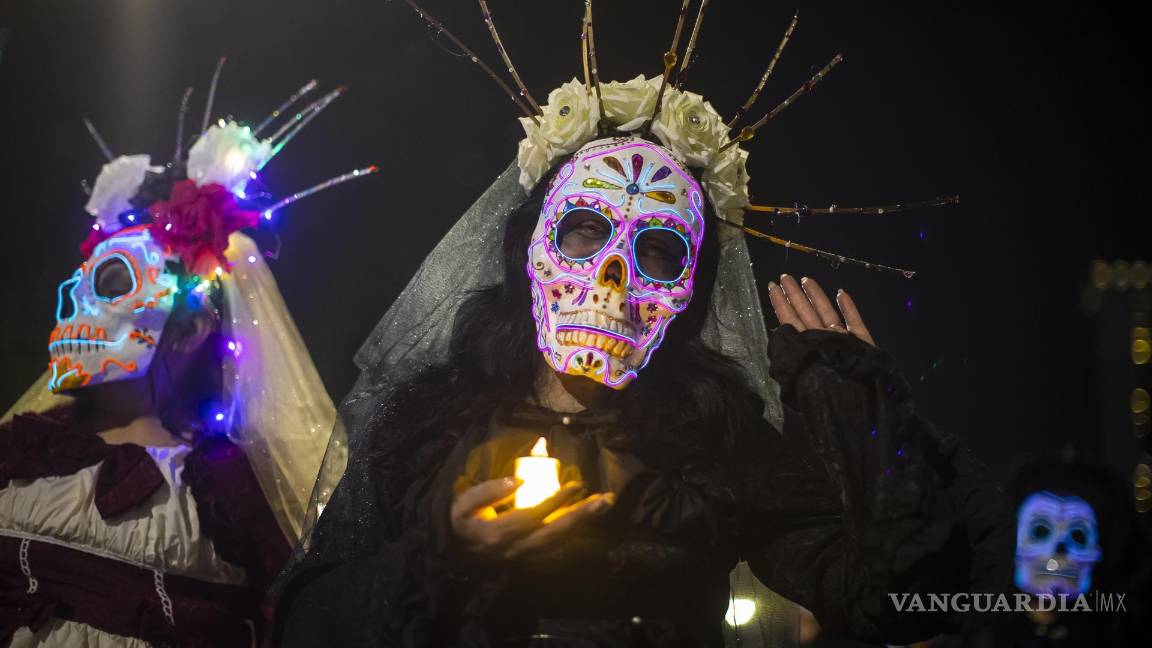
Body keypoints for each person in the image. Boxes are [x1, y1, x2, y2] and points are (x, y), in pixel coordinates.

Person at [273, 4, 1010, 646]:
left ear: (690, 292)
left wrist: (867, 418)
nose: (614, 280)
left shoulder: (716, 443)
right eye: (586, 232)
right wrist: (443, 551)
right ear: (528, 246)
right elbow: (302, 625)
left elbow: (899, 602)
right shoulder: (426, 422)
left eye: (657, 251)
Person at [0, 66, 372, 646]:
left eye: (111, 283)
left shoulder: (227, 497)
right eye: (80, 280)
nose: (70, 300)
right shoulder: (22, 451)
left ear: (189, 329)